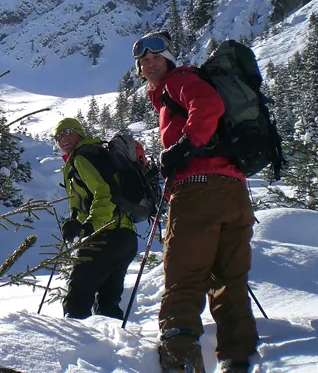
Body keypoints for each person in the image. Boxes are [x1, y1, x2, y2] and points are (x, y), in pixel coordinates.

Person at [133, 32, 259, 373]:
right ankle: (237, 357)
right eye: (143, 60)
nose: (149, 61)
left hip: (197, 191)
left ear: (170, 58)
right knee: (229, 279)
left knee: (185, 275)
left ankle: (180, 356)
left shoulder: (179, 80)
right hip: (233, 192)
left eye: (155, 56)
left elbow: (209, 106)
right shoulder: (178, 86)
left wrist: (184, 147)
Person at [53, 117, 139, 320]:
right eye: (57, 137)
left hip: (106, 234)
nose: (61, 139)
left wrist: (92, 224)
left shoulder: (84, 156)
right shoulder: (95, 154)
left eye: (66, 133)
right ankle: (111, 347)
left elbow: (105, 191)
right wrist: (76, 221)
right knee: (108, 302)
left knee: (77, 297)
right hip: (125, 235)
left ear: (79, 133)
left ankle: (76, 346)